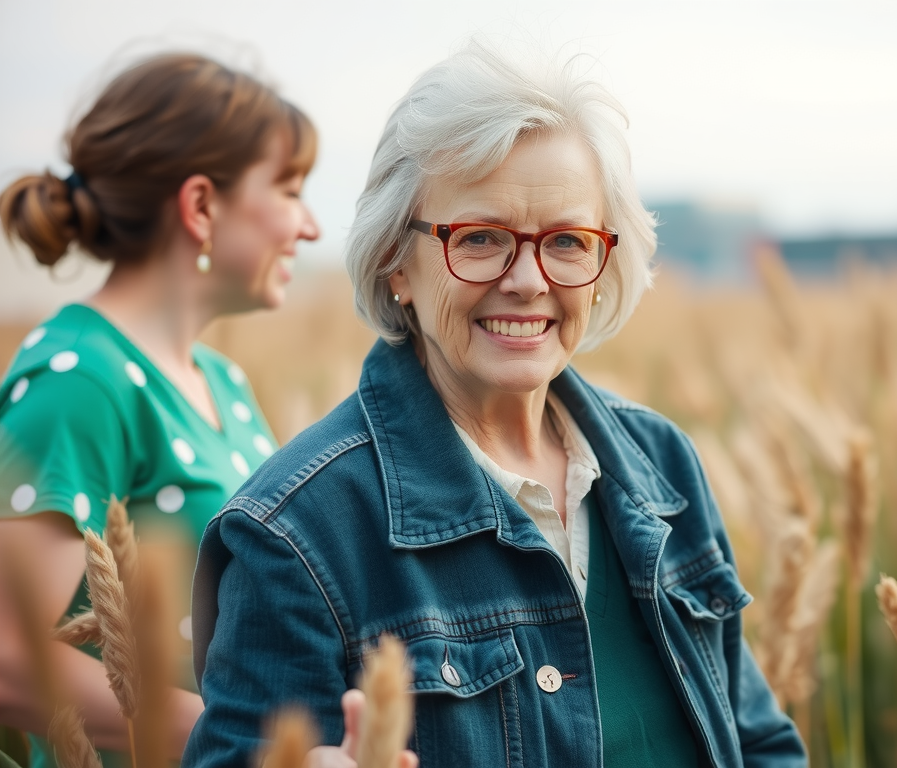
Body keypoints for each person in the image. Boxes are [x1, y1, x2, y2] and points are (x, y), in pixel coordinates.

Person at [184, 44, 806, 768]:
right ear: (396, 264)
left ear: (605, 266)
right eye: (480, 239)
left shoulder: (661, 464)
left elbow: (758, 745)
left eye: (568, 242)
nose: (527, 280)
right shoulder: (297, 537)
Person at [0, 53, 319, 767]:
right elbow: (8, 658)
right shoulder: (80, 379)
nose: (310, 226)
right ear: (201, 205)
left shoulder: (221, 379)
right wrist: (243, 741)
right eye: (291, 190)